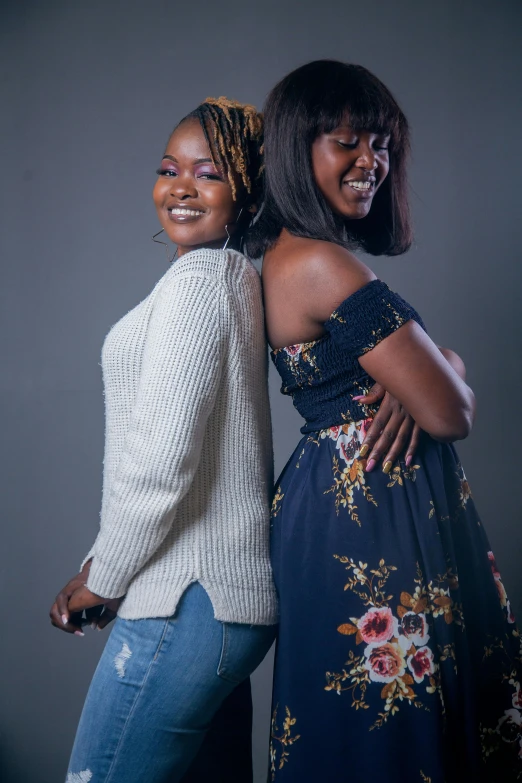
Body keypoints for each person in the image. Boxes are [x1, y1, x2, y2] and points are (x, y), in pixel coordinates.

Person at [249, 60, 522, 782]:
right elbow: (451, 410)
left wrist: (430, 367)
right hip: (369, 509)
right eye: (348, 142)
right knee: (390, 733)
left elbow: (431, 381)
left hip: (343, 501)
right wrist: (435, 373)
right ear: (295, 150)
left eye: (382, 144)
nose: (372, 161)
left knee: (369, 727)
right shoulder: (321, 264)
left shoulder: (285, 255)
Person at [49, 97, 277, 783]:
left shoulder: (200, 284)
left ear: (246, 192)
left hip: (188, 598)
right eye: (168, 169)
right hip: (212, 599)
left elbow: (161, 459)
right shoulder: (230, 278)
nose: (180, 186)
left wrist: (105, 573)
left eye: (207, 174)